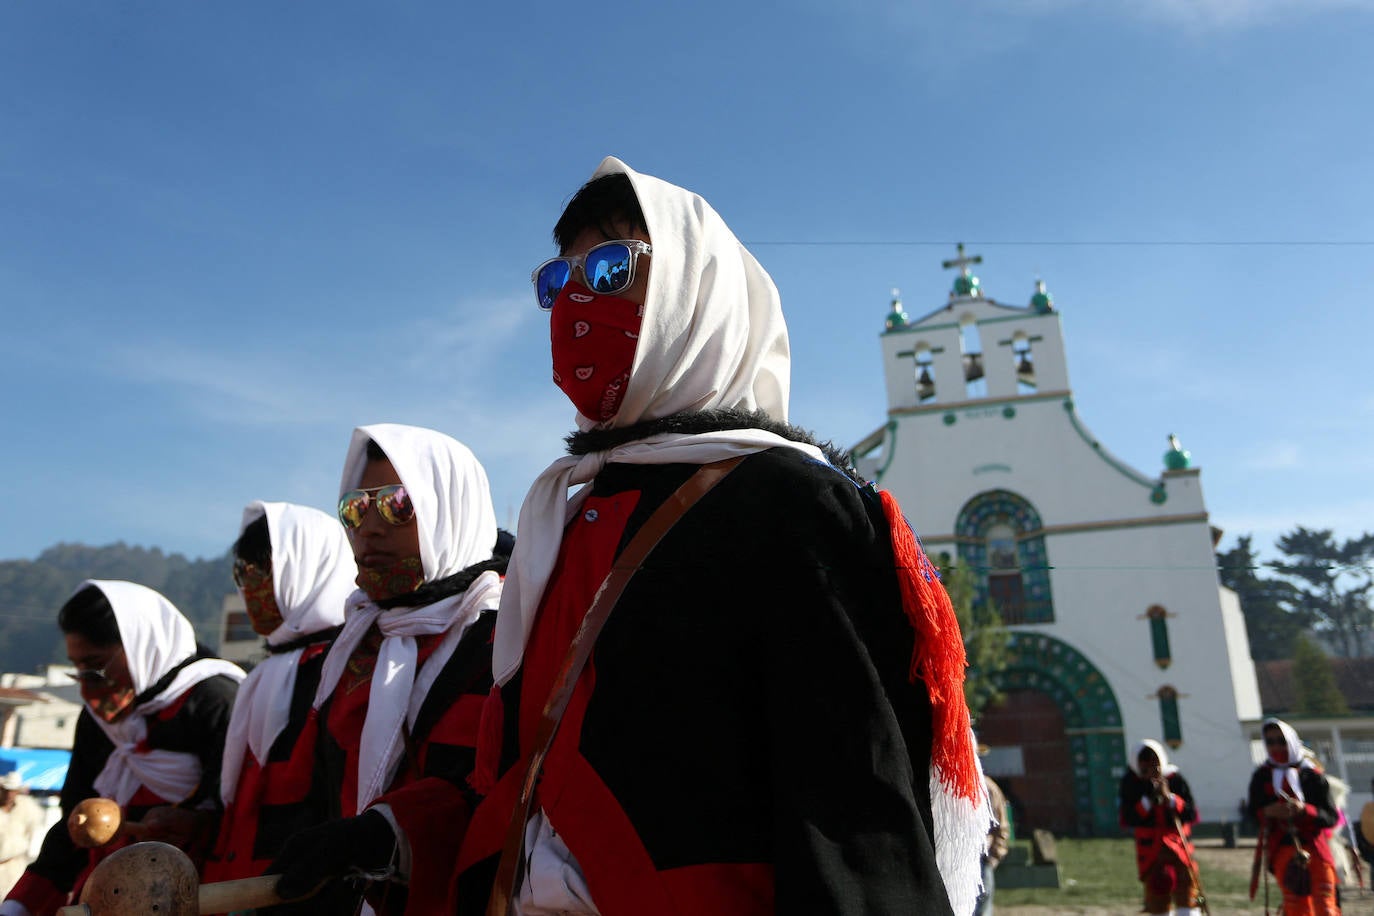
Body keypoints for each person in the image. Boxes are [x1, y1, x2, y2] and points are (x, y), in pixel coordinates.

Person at [452, 157, 987, 916]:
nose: (573, 300)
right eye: (557, 281)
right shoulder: (564, 521)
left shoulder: (795, 504)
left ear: (693, 295)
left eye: (607, 269)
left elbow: (851, 826)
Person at [268, 424, 509, 914]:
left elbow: (511, 787)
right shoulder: (353, 644)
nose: (369, 528)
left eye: (398, 505)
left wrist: (390, 832)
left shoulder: (509, 633)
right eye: (354, 508)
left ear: (449, 509)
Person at [1, 580, 244, 916]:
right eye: (78, 671)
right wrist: (19, 906)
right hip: (103, 895)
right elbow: (74, 824)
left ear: (142, 645)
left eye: (96, 667)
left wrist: (194, 823)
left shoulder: (217, 701)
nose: (87, 689)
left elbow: (238, 816)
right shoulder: (97, 720)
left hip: (192, 896)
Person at [204, 502, 355, 899]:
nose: (248, 586)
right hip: (234, 887)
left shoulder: (348, 664)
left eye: (261, 570)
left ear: (311, 569)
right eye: (242, 572)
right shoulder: (262, 675)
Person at [1248, 717, 1342, 916]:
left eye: (1281, 741)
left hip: (1315, 849)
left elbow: (1330, 817)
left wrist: (1304, 810)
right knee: (1296, 908)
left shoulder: (1312, 776)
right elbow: (1252, 814)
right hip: (1282, 849)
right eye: (1270, 742)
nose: (1276, 747)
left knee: (1325, 906)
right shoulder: (1262, 776)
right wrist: (1267, 811)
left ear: (1290, 741)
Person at [1119, 739, 1202, 916]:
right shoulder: (1131, 783)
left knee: (1187, 893)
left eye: (1153, 761)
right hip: (1151, 853)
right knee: (1157, 898)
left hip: (1179, 848)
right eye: (1144, 762)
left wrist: (1170, 798)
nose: (1150, 767)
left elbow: (1190, 813)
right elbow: (1129, 817)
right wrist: (1148, 799)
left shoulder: (1175, 779)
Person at [0, 774, 44, 897]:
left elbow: (34, 834)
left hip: (15, 868)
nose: (9, 794)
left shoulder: (27, 810)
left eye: (12, 791)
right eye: (6, 790)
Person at [974, 774, 1010, 916]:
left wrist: (993, 858)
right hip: (957, 862)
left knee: (982, 910)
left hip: (983, 858)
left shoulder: (988, 787)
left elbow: (1001, 827)